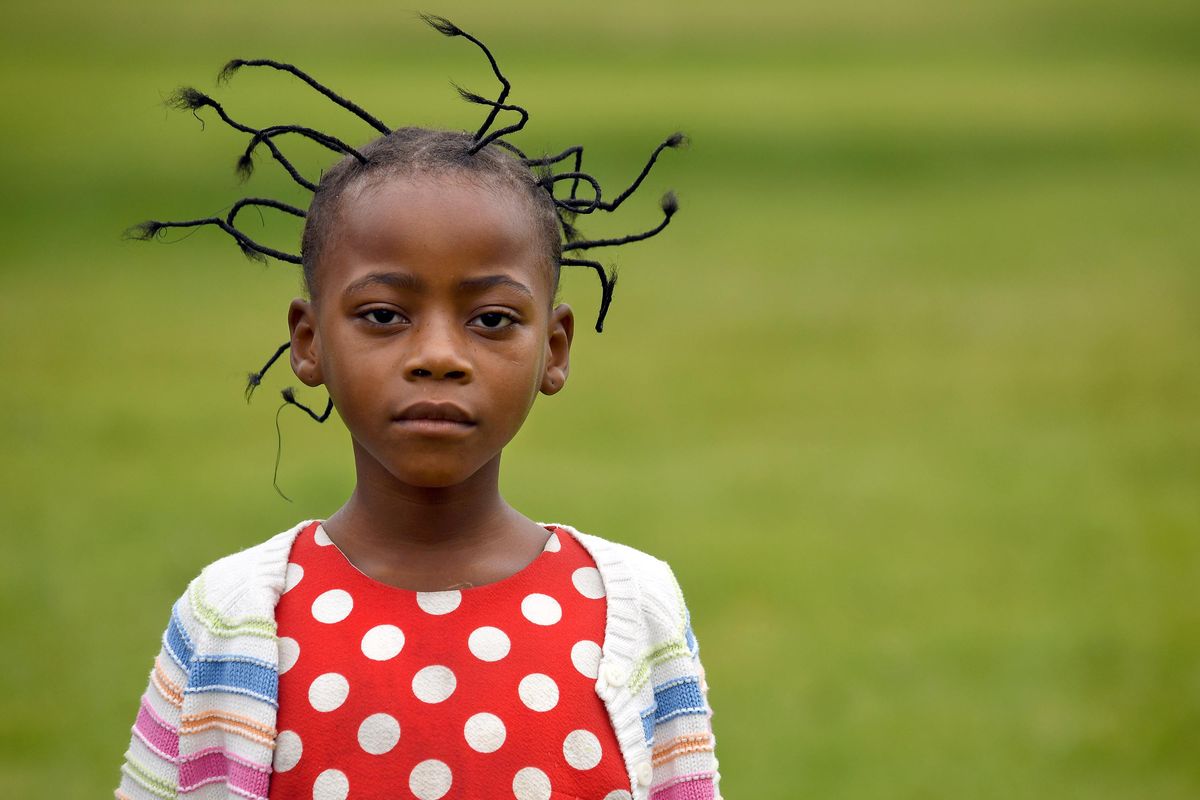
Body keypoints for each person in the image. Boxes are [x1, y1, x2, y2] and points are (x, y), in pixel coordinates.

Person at [115, 15, 719, 800]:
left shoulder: (632, 612)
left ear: (556, 349)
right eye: (384, 316)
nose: (438, 353)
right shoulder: (233, 618)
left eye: (492, 319)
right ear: (309, 342)